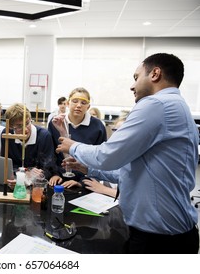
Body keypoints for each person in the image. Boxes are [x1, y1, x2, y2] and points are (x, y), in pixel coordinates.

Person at [56, 53, 199, 254]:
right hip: (167, 234)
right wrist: (89, 169)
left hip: (160, 240)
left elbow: (106, 156)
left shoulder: (157, 104)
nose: (132, 86)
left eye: (136, 77)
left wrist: (72, 146)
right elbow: (133, 171)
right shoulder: (177, 106)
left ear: (155, 74)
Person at [48, 87, 107, 186]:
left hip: (85, 181)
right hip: (58, 179)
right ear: (67, 103)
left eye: (83, 103)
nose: (79, 105)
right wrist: (53, 174)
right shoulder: (56, 123)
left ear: (88, 107)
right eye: (75, 101)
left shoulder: (98, 126)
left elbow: (99, 158)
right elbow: (50, 152)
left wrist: (82, 182)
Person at [1, 103, 58, 184]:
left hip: (37, 184)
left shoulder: (44, 136)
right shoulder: (7, 135)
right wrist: (25, 173)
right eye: (20, 126)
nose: (26, 130)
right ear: (11, 126)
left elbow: (48, 168)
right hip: (14, 180)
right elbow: (7, 164)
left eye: (27, 123)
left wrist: (32, 176)